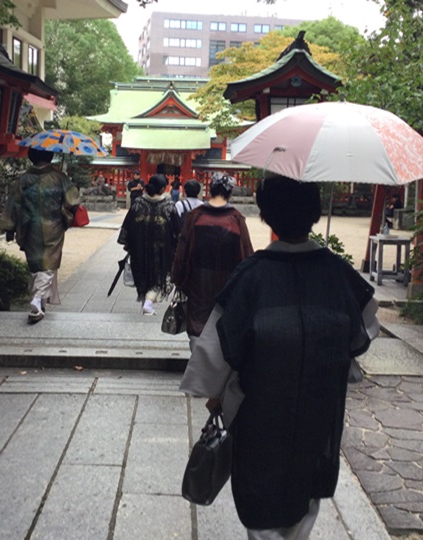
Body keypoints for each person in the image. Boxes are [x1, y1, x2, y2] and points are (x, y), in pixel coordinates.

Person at [179, 174, 379, 538]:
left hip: (260, 405)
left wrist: (214, 392)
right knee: (307, 488)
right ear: (315, 215)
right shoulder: (337, 273)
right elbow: (365, 326)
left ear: (266, 215)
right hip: (320, 402)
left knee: (261, 489)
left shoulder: (251, 275)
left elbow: (218, 342)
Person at [171, 173, 254, 350]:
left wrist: (178, 276)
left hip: (198, 280)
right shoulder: (236, 218)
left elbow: (183, 249)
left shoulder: (196, 216)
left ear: (210, 190)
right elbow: (246, 251)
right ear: (230, 192)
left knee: (199, 321)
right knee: (223, 319)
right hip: (228, 281)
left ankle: (198, 359)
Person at [0, 147, 80, 324]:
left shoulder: (24, 179)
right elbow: (73, 201)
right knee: (49, 264)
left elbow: (13, 203)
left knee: (35, 264)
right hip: (53, 226)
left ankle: (40, 304)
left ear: (31, 157)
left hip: (29, 226)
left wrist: (10, 228)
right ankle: (37, 299)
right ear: (50, 157)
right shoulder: (59, 177)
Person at [119, 174, 183, 315]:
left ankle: (146, 304)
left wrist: (128, 243)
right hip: (162, 249)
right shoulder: (168, 206)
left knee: (143, 275)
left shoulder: (138, 204)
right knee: (159, 277)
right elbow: (178, 230)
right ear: (162, 189)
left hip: (139, 248)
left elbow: (128, 226)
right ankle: (147, 304)